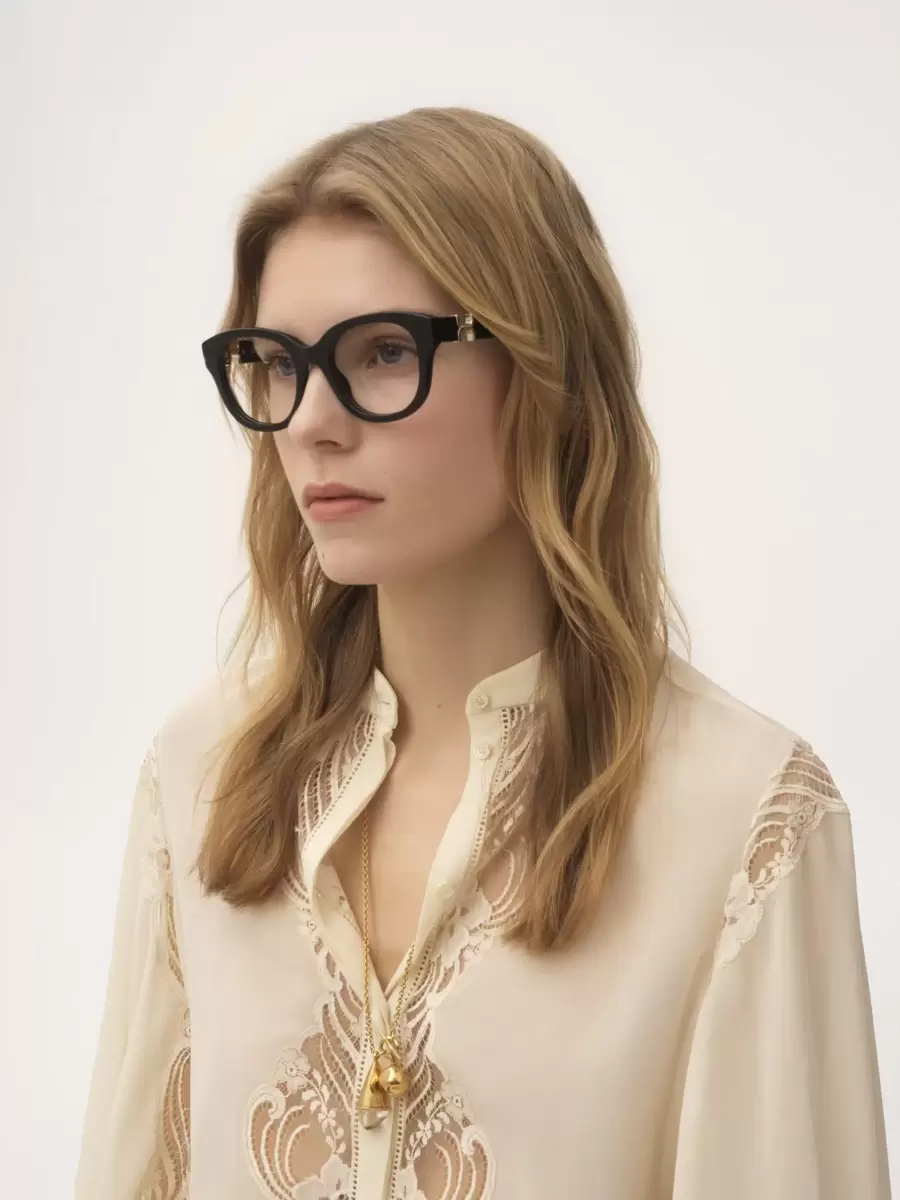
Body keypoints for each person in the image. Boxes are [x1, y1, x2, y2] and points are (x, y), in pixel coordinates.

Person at [74, 106, 891, 1200]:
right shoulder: (201, 776)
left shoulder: (746, 819)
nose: (309, 421)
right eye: (274, 363)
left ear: (544, 373)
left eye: (380, 352)